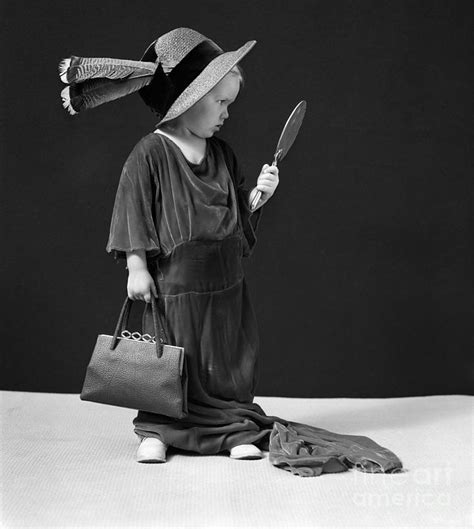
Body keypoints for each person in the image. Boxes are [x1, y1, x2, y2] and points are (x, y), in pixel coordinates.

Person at [59, 27, 404, 476]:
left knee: (227, 361)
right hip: (176, 286)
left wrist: (258, 200)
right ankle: (160, 431)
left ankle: (232, 429)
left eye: (229, 104)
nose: (226, 113)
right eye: (220, 102)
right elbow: (132, 211)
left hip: (224, 284)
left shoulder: (222, 154)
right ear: (187, 97)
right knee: (173, 362)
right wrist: (137, 265)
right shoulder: (150, 154)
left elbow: (235, 213)